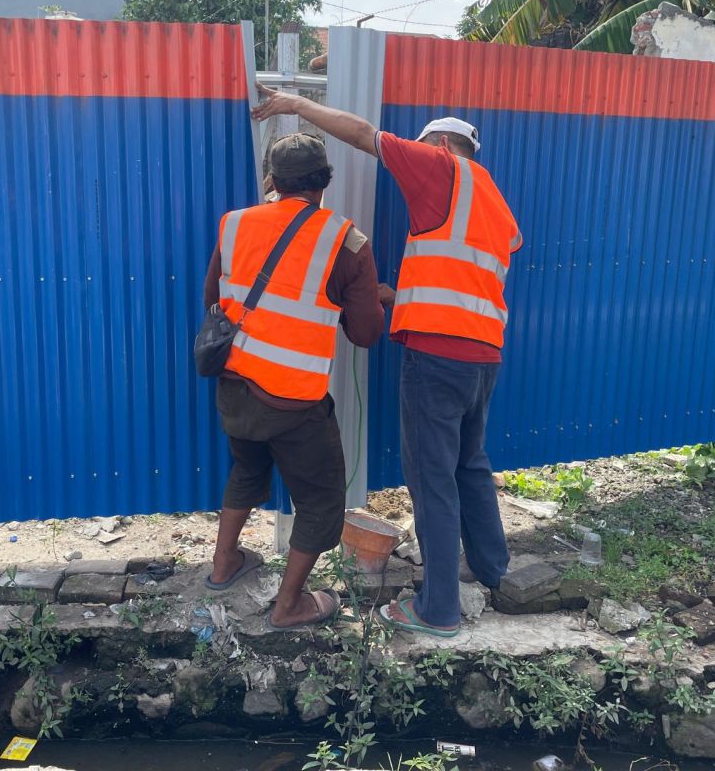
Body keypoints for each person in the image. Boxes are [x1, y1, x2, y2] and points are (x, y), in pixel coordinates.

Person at [251, 86, 523, 638]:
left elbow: (362, 135)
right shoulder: (493, 200)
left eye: (424, 147)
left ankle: (439, 609)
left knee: (432, 479)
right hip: (482, 355)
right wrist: (399, 297)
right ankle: (491, 567)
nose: (414, 161)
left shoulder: (442, 164)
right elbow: (464, 278)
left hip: (438, 357)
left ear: (443, 143)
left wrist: (297, 106)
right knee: (469, 463)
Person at [203, 133, 385, 630]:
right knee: (322, 502)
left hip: (236, 385)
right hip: (295, 404)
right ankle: (289, 606)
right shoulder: (348, 242)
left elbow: (212, 298)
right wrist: (365, 295)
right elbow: (366, 332)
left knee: (246, 471)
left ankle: (224, 567)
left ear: (273, 182)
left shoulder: (235, 223)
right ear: (325, 181)